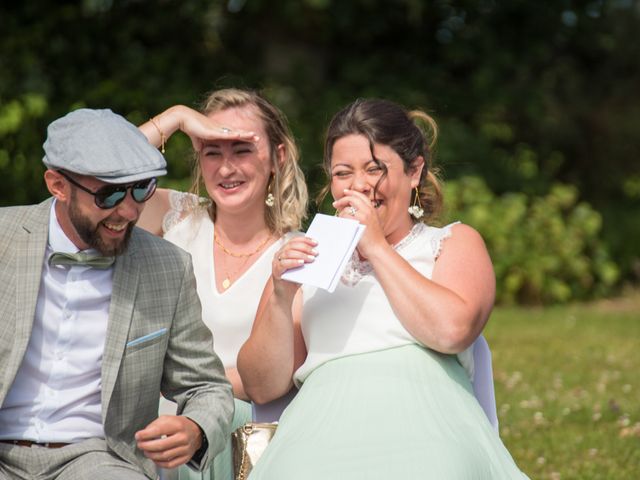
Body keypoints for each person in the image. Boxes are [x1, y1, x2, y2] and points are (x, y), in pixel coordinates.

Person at [237, 98, 529, 478]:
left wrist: (374, 247)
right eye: (343, 173)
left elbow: (452, 330)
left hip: (430, 422)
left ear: (415, 171)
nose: (358, 185)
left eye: (374, 169)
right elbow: (261, 386)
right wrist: (280, 296)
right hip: (320, 429)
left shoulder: (451, 242)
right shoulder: (309, 256)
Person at [0, 109, 234, 480]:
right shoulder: (4, 238)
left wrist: (196, 428)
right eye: (109, 195)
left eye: (141, 189)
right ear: (58, 185)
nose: (128, 210)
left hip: (96, 458)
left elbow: (206, 385)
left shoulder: (167, 267)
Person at [136, 88, 308, 478]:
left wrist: (183, 390)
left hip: (241, 446)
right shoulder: (174, 218)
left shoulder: (298, 254)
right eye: (213, 151)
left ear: (277, 158)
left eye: (242, 150)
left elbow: (277, 377)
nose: (226, 168)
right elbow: (96, 181)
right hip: (152, 436)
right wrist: (176, 117)